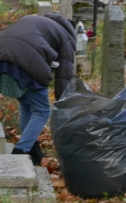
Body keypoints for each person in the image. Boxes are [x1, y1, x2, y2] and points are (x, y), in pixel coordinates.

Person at [0, 13, 76, 166]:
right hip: (29, 62)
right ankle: (21, 151)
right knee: (42, 111)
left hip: (2, 55)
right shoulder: (66, 36)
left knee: (26, 105)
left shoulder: (32, 19)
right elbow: (64, 75)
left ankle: (32, 148)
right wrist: (63, 102)